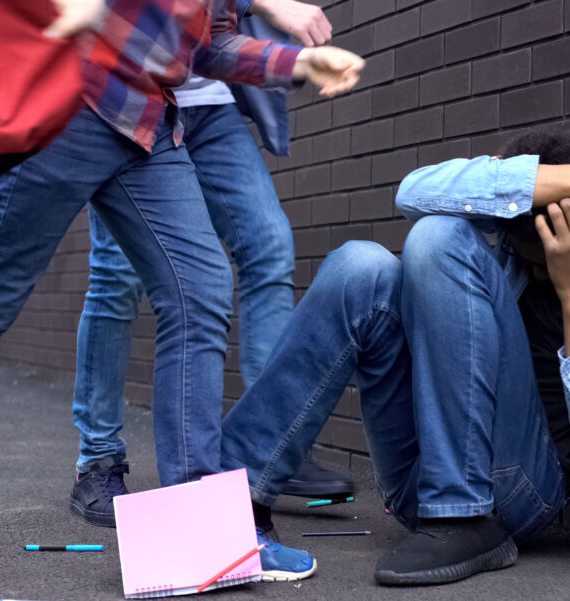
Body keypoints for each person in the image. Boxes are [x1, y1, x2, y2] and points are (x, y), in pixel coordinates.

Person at [0, 0, 363, 596]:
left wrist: (298, 61)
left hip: (146, 123)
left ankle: (198, 530)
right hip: (58, 110)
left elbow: (204, 44)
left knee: (200, 294)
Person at [214, 129, 570, 585]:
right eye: (519, 253)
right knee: (358, 265)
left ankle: (462, 516)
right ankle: (228, 507)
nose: (529, 269)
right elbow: (413, 191)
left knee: (439, 238)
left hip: (523, 494)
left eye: (538, 259)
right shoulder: (521, 224)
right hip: (421, 480)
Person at [68, 0, 353, 533]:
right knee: (116, 277)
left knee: (268, 245)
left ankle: (269, 443)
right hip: (126, 96)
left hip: (210, 99)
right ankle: (99, 459)